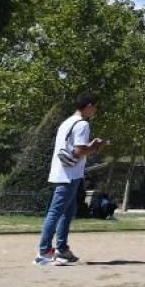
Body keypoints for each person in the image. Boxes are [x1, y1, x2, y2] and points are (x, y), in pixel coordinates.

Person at [35, 93, 107, 267]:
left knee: (67, 212)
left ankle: (61, 249)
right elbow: (79, 151)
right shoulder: (82, 124)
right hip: (70, 175)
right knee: (56, 212)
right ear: (88, 106)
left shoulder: (67, 122)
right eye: (95, 106)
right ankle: (44, 252)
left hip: (62, 172)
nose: (96, 110)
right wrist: (95, 147)